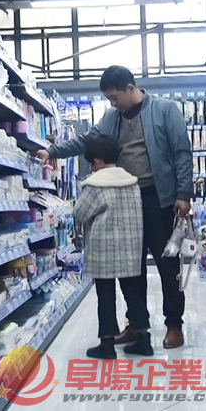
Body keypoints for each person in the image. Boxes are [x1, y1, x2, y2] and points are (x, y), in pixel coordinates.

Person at [37, 66, 192, 349]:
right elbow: (88, 141)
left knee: (168, 266)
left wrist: (183, 194)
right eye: (109, 98)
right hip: (126, 200)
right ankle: (137, 325)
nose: (112, 103)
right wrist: (53, 151)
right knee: (131, 269)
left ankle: (174, 325)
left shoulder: (165, 110)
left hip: (159, 200)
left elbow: (182, 152)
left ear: (130, 89)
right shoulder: (111, 118)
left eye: (114, 97)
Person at [73, 134, 152, 358]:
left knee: (106, 296)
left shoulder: (95, 185)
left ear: (97, 161)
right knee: (133, 294)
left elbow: (80, 213)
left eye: (91, 162)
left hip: (103, 248)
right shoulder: (132, 182)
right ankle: (143, 340)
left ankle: (107, 344)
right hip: (130, 247)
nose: (92, 167)